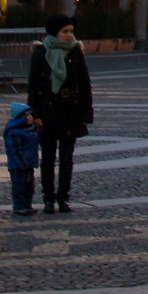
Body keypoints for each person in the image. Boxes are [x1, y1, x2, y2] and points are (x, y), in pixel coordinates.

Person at [25, 13, 92, 213]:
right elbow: (33, 87)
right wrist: (35, 113)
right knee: (47, 158)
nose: (69, 35)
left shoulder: (76, 52)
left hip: (71, 110)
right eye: (65, 31)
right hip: (48, 110)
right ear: (55, 32)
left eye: (71, 31)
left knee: (66, 157)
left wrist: (86, 113)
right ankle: (48, 198)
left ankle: (63, 198)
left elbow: (84, 84)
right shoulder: (40, 54)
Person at [2, 101, 42, 217]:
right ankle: (19, 206)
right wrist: (21, 163)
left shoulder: (30, 131)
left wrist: (39, 129)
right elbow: (14, 150)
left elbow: (36, 140)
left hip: (29, 165)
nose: (30, 118)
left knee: (29, 187)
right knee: (19, 187)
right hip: (18, 166)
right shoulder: (14, 133)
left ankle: (27, 205)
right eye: (27, 116)